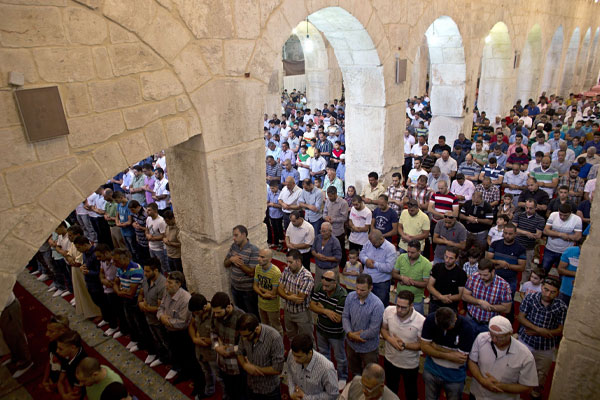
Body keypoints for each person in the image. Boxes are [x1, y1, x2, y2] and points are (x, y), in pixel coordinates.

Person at [517, 278, 567, 400]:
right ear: (541, 287)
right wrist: (540, 330)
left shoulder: (561, 307)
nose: (548, 294)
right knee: (518, 367)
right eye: (546, 290)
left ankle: (535, 393)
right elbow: (521, 318)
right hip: (526, 341)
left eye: (552, 292)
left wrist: (545, 332)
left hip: (546, 346)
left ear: (558, 292)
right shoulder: (530, 298)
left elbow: (560, 329)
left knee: (542, 374)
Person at [468, 316, 538, 399]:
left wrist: (500, 386)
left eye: (499, 337)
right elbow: (472, 361)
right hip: (477, 394)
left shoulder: (525, 356)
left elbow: (528, 387)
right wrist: (482, 381)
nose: (494, 340)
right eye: (491, 335)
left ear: (510, 333)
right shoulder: (481, 338)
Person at [420, 307, 475, 400]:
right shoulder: (431, 319)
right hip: (431, 372)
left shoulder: (467, 328)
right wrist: (450, 354)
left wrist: (436, 347)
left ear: (455, 319)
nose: (444, 330)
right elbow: (424, 347)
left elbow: (461, 358)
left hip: (454, 378)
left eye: (447, 328)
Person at [381, 291, 425, 400]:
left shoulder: (421, 321)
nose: (399, 310)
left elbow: (421, 346)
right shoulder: (388, 311)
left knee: (411, 392)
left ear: (411, 306)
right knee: (391, 389)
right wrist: (390, 339)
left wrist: (404, 345)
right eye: (398, 306)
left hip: (409, 364)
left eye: (403, 307)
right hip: (390, 359)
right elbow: (383, 329)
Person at [309, 269, 349, 389]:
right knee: (324, 355)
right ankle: (328, 374)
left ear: (335, 282)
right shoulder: (320, 286)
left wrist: (320, 306)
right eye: (324, 285)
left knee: (340, 358)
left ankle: (342, 376)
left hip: (336, 333)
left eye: (327, 286)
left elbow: (337, 318)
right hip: (321, 329)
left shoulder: (342, 295)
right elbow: (311, 305)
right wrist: (326, 310)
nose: (324, 288)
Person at [342, 274, 385, 377]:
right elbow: (345, 316)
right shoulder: (350, 296)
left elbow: (374, 330)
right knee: (355, 371)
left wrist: (355, 336)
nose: (358, 292)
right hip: (351, 344)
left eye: (362, 290)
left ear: (371, 288)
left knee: (371, 375)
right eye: (357, 288)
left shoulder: (377, 305)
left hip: (368, 348)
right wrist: (349, 332)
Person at [236, 313, 285, 400]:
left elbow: (277, 369)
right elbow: (239, 353)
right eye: (242, 336)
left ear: (256, 329)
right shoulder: (245, 334)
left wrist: (255, 369)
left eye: (246, 336)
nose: (243, 339)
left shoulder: (274, 338)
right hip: (251, 385)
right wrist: (244, 365)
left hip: (269, 389)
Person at [112, 248, 149, 356]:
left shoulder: (135, 270)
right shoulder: (121, 268)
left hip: (135, 301)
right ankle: (136, 339)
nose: (114, 263)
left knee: (140, 323)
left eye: (117, 261)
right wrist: (120, 291)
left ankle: (144, 344)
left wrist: (119, 291)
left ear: (126, 259)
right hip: (126, 299)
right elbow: (115, 282)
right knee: (130, 321)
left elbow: (131, 293)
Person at [210, 292, 246, 400]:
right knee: (228, 389)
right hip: (222, 362)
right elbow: (212, 331)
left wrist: (227, 350)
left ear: (228, 307)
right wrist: (216, 346)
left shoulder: (241, 318)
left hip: (237, 365)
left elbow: (245, 345)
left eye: (218, 312)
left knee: (241, 392)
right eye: (214, 312)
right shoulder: (215, 313)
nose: (215, 315)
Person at [461, 259, 512, 335]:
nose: (482, 277)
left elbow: (507, 308)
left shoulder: (503, 285)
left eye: (485, 275)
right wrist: (480, 302)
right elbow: (464, 296)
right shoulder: (474, 277)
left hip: (488, 324)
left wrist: (490, 307)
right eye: (480, 274)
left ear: (493, 272)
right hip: (470, 319)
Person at [486, 223, 526, 315]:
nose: (507, 236)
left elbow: (521, 267)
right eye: (505, 233)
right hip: (494, 278)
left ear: (515, 234)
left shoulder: (520, 248)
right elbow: (488, 260)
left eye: (510, 234)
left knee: (509, 303)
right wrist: (498, 262)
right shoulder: (495, 244)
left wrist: (506, 265)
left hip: (510, 280)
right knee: (492, 301)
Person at [285, 333, 339, 400]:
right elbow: (290, 372)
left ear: (309, 352)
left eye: (299, 357)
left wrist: (306, 398)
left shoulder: (327, 368)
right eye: (294, 355)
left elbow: (333, 395)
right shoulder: (292, 353)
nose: (295, 359)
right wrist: (292, 392)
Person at [278, 249, 315, 342]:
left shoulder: (307, 276)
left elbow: (299, 299)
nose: (288, 265)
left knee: (307, 340)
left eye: (290, 262)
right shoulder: (287, 270)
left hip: (302, 313)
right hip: (288, 310)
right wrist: (289, 296)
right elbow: (279, 289)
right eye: (287, 262)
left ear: (298, 261)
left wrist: (285, 291)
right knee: (291, 337)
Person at [138, 257, 169, 368]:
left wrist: (146, 307)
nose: (145, 273)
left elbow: (160, 307)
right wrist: (140, 302)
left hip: (159, 321)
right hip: (149, 318)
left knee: (165, 342)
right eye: (144, 271)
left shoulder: (163, 285)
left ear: (155, 270)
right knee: (156, 340)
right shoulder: (147, 280)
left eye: (147, 271)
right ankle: (161, 357)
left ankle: (171, 363)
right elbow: (141, 292)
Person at [224, 225, 260, 317]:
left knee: (252, 314)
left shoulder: (254, 250)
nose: (233, 238)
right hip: (235, 289)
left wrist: (238, 263)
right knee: (240, 314)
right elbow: (225, 263)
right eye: (233, 235)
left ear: (243, 235)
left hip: (248, 291)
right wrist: (231, 259)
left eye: (236, 235)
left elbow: (252, 272)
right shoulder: (234, 247)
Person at [188, 293, 218, 398]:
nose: (196, 315)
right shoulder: (196, 312)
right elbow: (191, 325)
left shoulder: (216, 315)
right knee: (206, 372)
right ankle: (209, 390)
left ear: (204, 307)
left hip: (213, 353)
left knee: (220, 377)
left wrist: (209, 341)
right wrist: (194, 339)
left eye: (197, 313)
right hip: (200, 351)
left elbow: (223, 337)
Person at [392, 239, 432, 315]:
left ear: (419, 252)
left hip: (416, 301)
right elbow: (394, 274)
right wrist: (402, 278)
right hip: (400, 297)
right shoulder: (401, 257)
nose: (409, 254)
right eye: (408, 251)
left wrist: (410, 282)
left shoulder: (426, 264)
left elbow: (425, 284)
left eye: (412, 252)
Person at [359, 229, 397, 306]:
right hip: (367, 280)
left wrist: (374, 264)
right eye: (372, 243)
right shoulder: (369, 243)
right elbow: (361, 254)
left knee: (380, 305)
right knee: (366, 304)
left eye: (375, 243)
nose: (373, 245)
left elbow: (389, 267)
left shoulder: (390, 248)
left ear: (381, 238)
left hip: (381, 283)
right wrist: (366, 260)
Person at [0, 291, 33, 378]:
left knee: (15, 336)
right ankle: (15, 356)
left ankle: (26, 362)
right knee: (8, 336)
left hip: (8, 307)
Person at [542, 203, 582, 273]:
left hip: (565, 252)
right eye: (560, 214)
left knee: (562, 274)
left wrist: (553, 233)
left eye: (565, 215)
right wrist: (561, 235)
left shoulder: (577, 219)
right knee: (543, 271)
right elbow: (545, 231)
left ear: (570, 213)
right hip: (550, 249)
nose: (562, 217)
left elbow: (578, 237)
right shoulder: (553, 215)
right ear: (558, 211)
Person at [427, 247, 467, 314]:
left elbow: (460, 295)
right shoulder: (437, 267)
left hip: (451, 307)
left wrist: (441, 298)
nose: (447, 260)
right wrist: (441, 297)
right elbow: (429, 286)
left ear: (456, 259)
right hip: (434, 305)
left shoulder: (461, 273)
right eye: (446, 256)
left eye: (451, 258)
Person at [41, 314, 70, 394]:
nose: (46, 334)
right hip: (54, 377)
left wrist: (55, 385)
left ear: (62, 331)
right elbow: (49, 361)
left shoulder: (67, 351)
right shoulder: (53, 343)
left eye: (51, 331)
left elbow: (68, 374)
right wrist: (45, 380)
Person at [56, 330, 88, 400]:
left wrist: (67, 395)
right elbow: (60, 381)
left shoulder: (83, 364)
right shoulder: (66, 355)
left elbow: (78, 394)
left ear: (73, 348)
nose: (57, 351)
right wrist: (64, 395)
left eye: (60, 349)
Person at [323, 186, 349, 267]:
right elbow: (324, 213)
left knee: (340, 248)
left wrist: (333, 220)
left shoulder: (343, 203)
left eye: (331, 196)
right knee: (330, 247)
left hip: (338, 230)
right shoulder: (327, 201)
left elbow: (344, 218)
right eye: (328, 196)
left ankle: (342, 264)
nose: (330, 198)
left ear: (336, 194)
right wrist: (325, 217)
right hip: (328, 230)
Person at [144, 203, 168, 273]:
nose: (147, 212)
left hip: (159, 248)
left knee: (163, 266)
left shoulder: (161, 221)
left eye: (149, 210)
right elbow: (146, 229)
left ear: (155, 211)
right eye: (147, 210)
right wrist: (147, 235)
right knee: (154, 266)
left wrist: (152, 238)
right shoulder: (148, 219)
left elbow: (163, 235)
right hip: (151, 247)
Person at [557, 242, 582, 307]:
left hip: (582, 293)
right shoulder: (570, 251)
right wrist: (578, 274)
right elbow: (560, 270)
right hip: (566, 290)